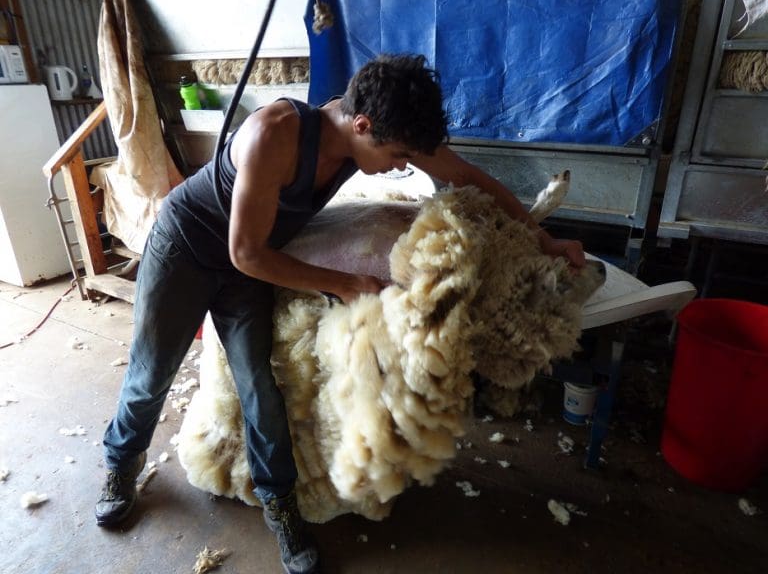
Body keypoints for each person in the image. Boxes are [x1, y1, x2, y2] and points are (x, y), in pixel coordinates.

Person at [95, 53, 584, 574]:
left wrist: (544, 238)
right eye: (397, 155)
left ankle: (280, 502)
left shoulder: (368, 128)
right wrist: (345, 284)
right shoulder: (273, 134)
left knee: (261, 386)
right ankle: (121, 462)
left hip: (246, 266)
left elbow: (462, 173)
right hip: (188, 248)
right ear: (362, 125)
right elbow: (246, 251)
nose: (403, 165)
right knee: (152, 374)